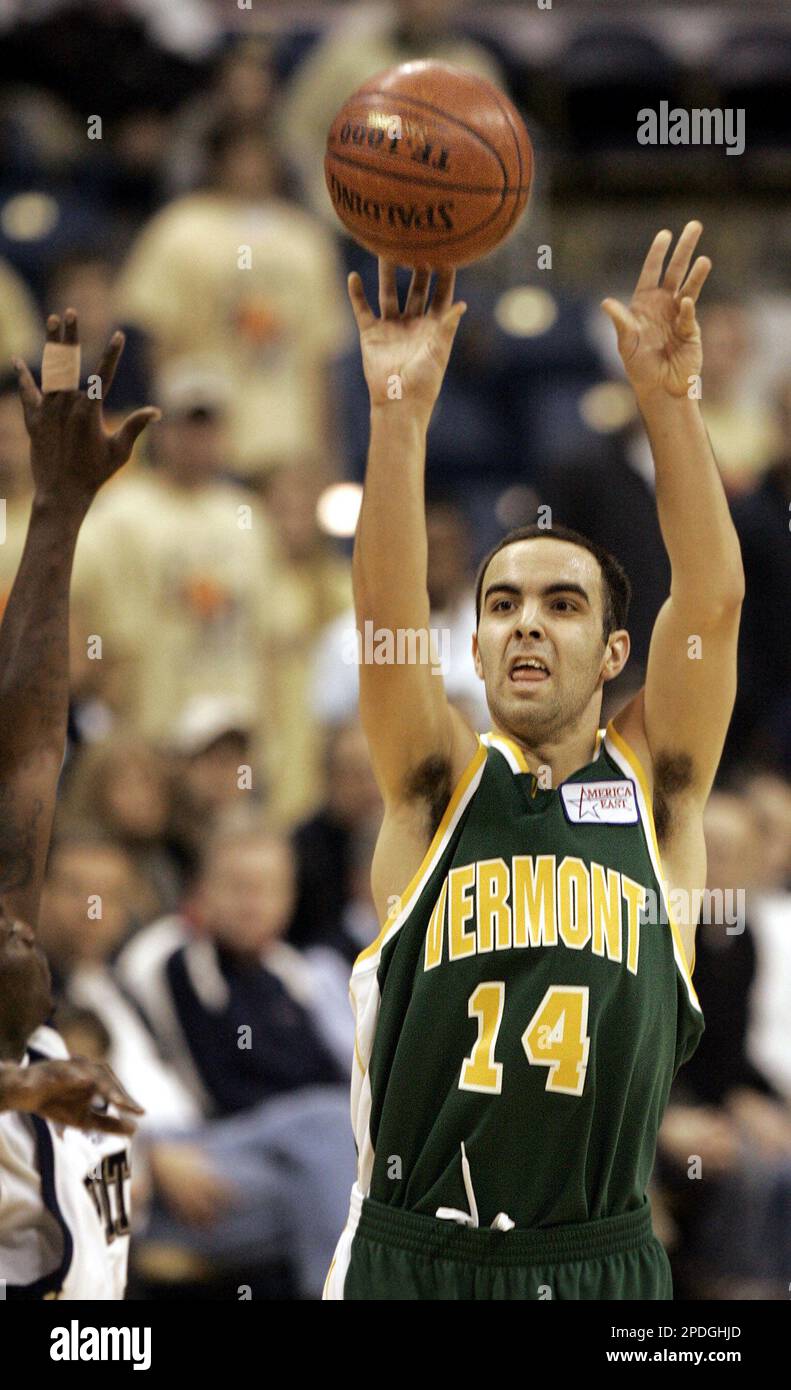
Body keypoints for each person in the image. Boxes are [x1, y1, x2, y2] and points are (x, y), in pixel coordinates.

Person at [324, 222, 745, 1301]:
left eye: (561, 606)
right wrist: (397, 413)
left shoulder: (657, 787)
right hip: (414, 1254)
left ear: (614, 651)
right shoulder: (436, 783)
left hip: (598, 1260)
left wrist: (667, 401)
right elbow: (380, 618)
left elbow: (709, 601)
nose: (524, 626)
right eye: (501, 604)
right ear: (471, 644)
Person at [0, 311, 154, 1298]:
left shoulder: (52, 1059)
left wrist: (57, 512)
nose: (13, 926)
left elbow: (28, 745)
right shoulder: (39, 1078)